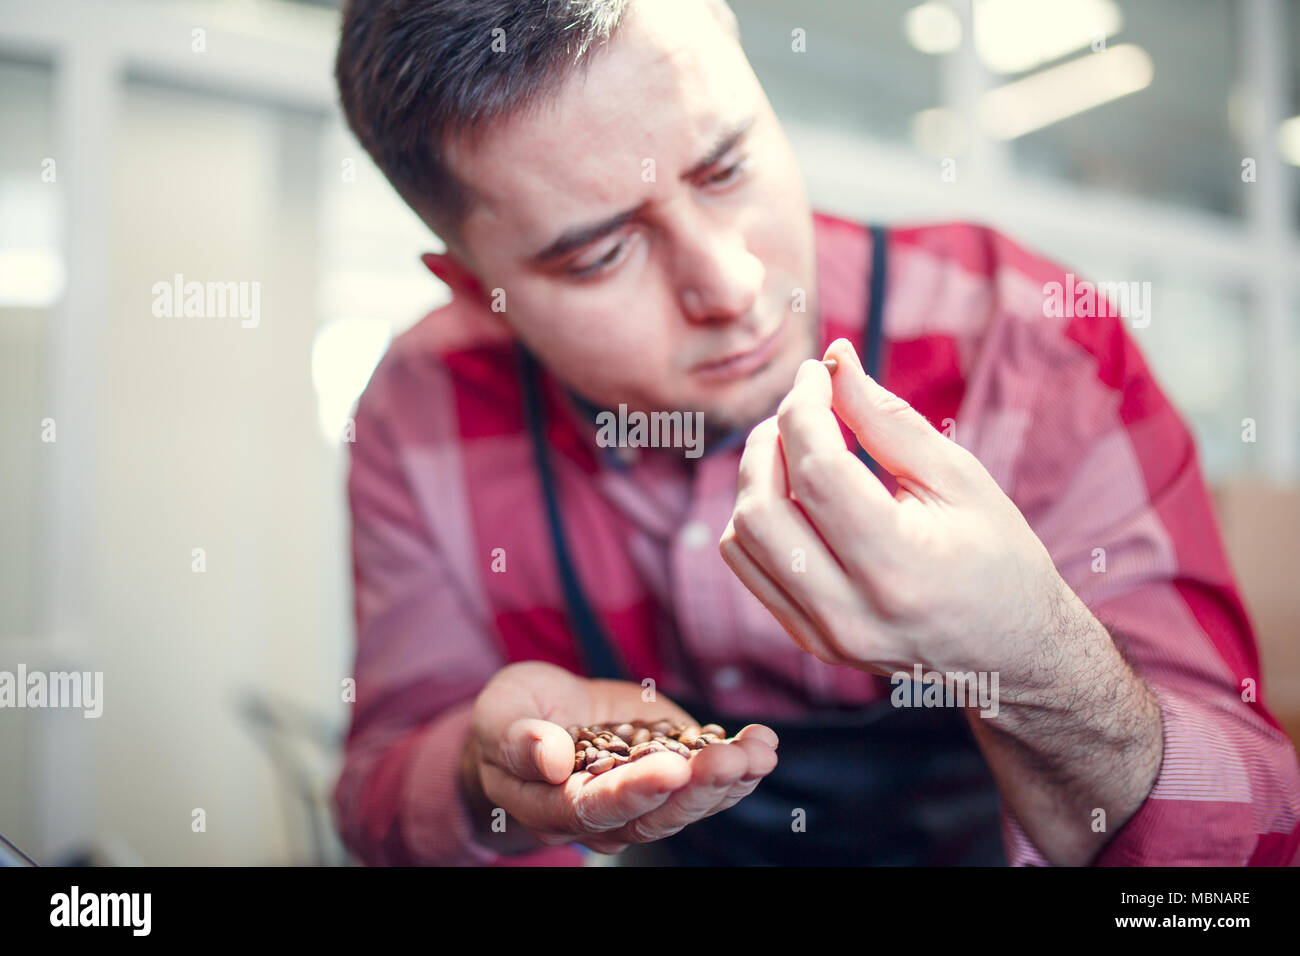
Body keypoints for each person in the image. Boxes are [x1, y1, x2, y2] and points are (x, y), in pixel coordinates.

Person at [329, 0, 1300, 866]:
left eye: (726, 167)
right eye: (602, 254)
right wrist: (479, 774)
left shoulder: (1027, 339)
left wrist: (1026, 655)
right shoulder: (422, 411)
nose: (732, 285)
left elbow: (1253, 843)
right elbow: (376, 789)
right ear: (472, 288)